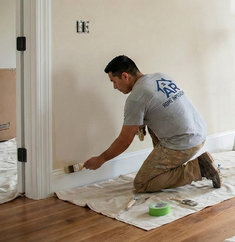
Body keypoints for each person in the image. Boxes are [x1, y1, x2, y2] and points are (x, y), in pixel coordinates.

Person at [83, 55, 221, 193]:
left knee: (142, 183)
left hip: (184, 143)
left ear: (125, 76)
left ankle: (198, 168)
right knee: (147, 120)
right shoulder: (160, 76)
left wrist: (101, 159)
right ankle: (168, 167)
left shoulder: (136, 98)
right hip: (199, 131)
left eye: (114, 81)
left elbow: (125, 140)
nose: (114, 87)